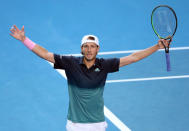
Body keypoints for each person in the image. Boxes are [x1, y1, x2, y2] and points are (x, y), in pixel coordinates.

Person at [10, 25, 170, 131]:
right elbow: (45, 54)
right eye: (86, 46)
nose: (89, 49)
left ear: (98, 49)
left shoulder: (106, 65)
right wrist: (25, 40)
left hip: (97, 124)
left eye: (92, 46)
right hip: (75, 124)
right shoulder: (70, 63)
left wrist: (157, 46)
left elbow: (133, 58)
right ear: (81, 49)